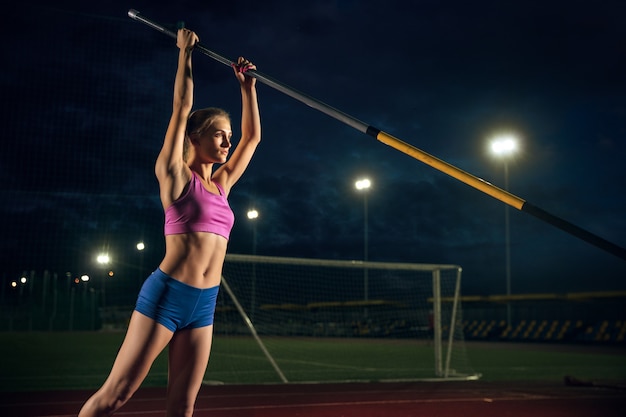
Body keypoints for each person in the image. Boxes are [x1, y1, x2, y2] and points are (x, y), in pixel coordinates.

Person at [78, 27, 260, 417]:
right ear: (195, 137)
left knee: (183, 405)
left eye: (228, 136)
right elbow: (180, 108)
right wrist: (185, 54)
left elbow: (252, 140)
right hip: (166, 296)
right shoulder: (176, 176)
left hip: (205, 304)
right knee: (116, 396)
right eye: (218, 135)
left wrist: (248, 88)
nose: (228, 143)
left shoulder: (223, 186)